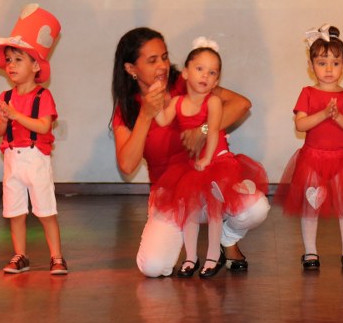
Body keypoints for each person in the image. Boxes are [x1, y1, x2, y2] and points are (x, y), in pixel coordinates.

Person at [110, 27, 269, 277]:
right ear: (131, 69)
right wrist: (145, 116)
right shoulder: (128, 108)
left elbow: (241, 104)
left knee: (256, 208)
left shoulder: (185, 82)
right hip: (170, 195)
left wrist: (204, 129)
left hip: (207, 181)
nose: (162, 66)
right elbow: (127, 166)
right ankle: (188, 244)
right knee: (153, 267)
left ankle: (227, 238)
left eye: (164, 57)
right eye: (152, 61)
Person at [151, 38, 268, 278]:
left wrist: (206, 160)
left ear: (216, 81)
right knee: (190, 213)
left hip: (216, 164)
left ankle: (214, 256)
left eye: (212, 72)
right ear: (185, 73)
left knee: (215, 211)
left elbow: (212, 131)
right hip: (191, 167)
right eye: (199, 69)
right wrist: (155, 101)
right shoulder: (177, 102)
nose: (205, 75)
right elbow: (162, 120)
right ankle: (191, 258)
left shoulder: (213, 101)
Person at [274, 25, 343, 271]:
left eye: (335, 63)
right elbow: (301, 124)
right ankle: (310, 252)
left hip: (341, 159)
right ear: (311, 66)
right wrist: (323, 114)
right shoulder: (308, 93)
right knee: (310, 206)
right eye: (322, 63)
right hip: (312, 158)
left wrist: (337, 117)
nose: (329, 69)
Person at [0, 4, 67, 275]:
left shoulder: (42, 96)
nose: (11, 65)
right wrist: (3, 118)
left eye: (18, 59)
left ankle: (57, 257)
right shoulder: (5, 97)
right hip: (12, 160)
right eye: (8, 60)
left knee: (45, 211)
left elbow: (44, 126)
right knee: (15, 212)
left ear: (35, 65)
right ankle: (20, 255)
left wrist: (16, 115)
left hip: (35, 159)